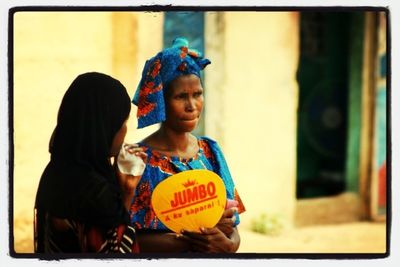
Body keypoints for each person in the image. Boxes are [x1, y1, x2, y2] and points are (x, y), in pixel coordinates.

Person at [130, 37, 245, 253]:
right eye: (181, 96)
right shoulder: (138, 159)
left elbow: (232, 224)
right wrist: (193, 240)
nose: (192, 106)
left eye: (198, 94)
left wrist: (229, 245)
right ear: (161, 102)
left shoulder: (211, 152)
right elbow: (126, 239)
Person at [34, 72, 146, 253]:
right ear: (103, 127)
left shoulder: (55, 173)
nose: (125, 131)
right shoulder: (95, 194)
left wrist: (125, 192)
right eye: (123, 122)